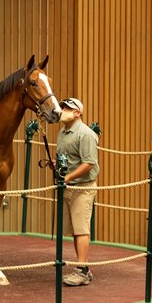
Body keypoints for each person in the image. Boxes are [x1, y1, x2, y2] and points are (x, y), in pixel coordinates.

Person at [56, 98, 99, 286]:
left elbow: (89, 163)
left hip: (82, 188)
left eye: (68, 108)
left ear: (78, 113)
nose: (63, 110)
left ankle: (81, 271)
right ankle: (84, 267)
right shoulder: (62, 134)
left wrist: (67, 178)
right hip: (69, 187)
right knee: (75, 230)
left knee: (81, 229)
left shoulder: (85, 134)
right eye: (63, 107)